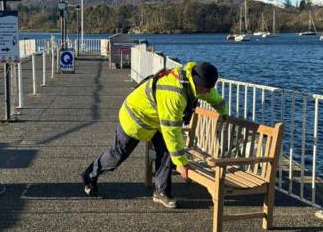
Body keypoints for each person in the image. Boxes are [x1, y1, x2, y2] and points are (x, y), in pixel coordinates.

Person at [81, 62, 228, 208]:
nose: (208, 92)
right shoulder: (174, 94)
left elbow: (213, 97)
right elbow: (172, 132)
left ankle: (161, 192)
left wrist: (223, 112)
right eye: (206, 89)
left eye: (210, 88)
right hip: (134, 118)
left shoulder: (193, 80)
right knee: (117, 156)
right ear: (197, 84)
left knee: (167, 153)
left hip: (157, 121)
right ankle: (89, 175)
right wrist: (182, 163)